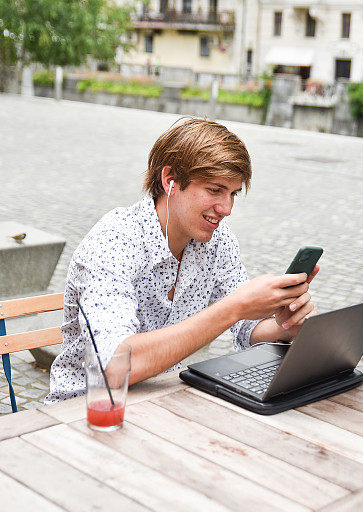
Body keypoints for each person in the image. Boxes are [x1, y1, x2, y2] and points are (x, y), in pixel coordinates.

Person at [45, 118, 318, 403]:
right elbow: (115, 366)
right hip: (85, 413)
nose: (226, 209)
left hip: (163, 402)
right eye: (215, 190)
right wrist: (234, 307)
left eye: (233, 193)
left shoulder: (218, 240)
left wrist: (284, 327)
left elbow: (247, 329)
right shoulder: (115, 240)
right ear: (170, 181)